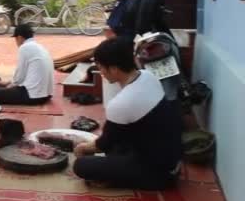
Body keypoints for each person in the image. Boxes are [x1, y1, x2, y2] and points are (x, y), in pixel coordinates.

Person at [72, 37, 182, 190]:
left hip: (158, 173)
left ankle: (117, 178)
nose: (101, 72)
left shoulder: (121, 104)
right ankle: (114, 173)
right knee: (115, 145)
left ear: (114, 69)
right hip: (172, 159)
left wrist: (82, 148)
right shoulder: (148, 76)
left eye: (101, 67)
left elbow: (102, 145)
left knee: (81, 165)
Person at [0, 24, 54, 105]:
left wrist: (11, 85)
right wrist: (9, 83)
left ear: (19, 37)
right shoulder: (40, 47)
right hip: (46, 95)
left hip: (33, 96)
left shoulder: (24, 47)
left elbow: (19, 77)